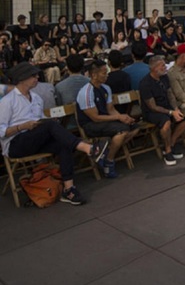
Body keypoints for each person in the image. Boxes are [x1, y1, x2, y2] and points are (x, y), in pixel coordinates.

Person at [0, 62, 108, 205]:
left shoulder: (37, 98)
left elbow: (39, 121)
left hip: (34, 139)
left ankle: (69, 189)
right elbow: (1, 131)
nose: (37, 77)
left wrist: (45, 122)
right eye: (33, 76)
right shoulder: (7, 101)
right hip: (15, 143)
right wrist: (22, 126)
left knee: (63, 143)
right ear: (22, 78)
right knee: (50, 125)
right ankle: (87, 148)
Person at [76, 60, 139, 178]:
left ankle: (105, 152)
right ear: (94, 75)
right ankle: (109, 162)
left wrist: (123, 117)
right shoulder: (86, 92)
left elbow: (111, 109)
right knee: (122, 131)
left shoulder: (106, 88)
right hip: (91, 124)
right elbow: (95, 117)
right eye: (104, 73)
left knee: (134, 127)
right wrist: (118, 117)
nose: (107, 75)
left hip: (106, 121)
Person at [139, 55, 185, 165]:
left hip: (168, 107)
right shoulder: (145, 83)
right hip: (153, 112)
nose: (165, 67)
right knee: (166, 122)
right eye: (163, 66)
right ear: (155, 68)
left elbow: (170, 94)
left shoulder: (164, 77)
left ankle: (171, 143)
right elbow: (152, 106)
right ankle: (167, 151)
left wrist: (176, 109)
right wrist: (171, 112)